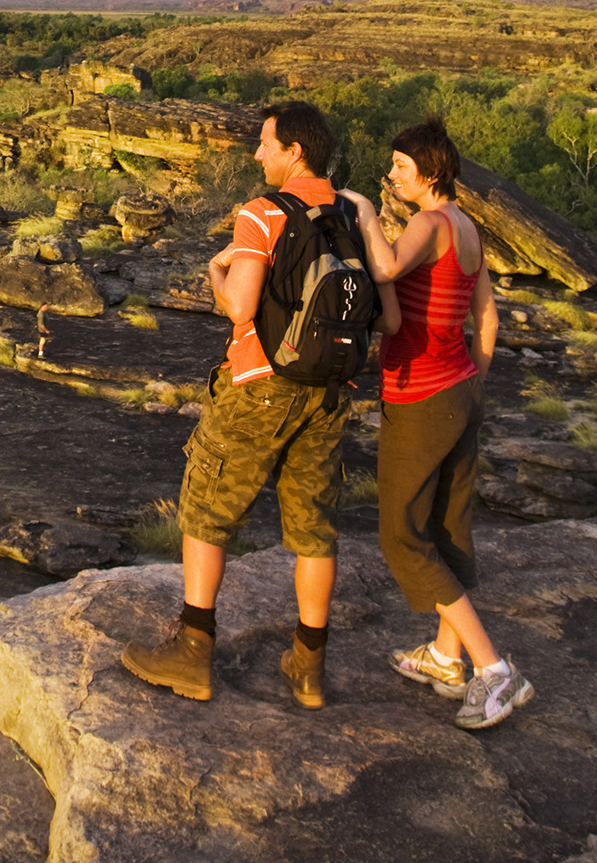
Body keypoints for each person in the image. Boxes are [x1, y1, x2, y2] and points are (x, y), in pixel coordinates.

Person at [121, 101, 400, 708]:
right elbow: (392, 315)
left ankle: (193, 654)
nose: (257, 153)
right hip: (329, 393)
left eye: (265, 143)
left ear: (293, 151)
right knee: (313, 527)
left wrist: (216, 274)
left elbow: (242, 307)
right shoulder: (353, 213)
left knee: (205, 510)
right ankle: (308, 667)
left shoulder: (263, 213)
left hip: (260, 384)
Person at [338, 118, 527, 730]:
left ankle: (495, 671)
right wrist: (473, 379)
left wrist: (366, 215)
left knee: (401, 534)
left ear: (431, 171)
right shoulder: (468, 229)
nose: (392, 175)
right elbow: (488, 318)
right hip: (460, 389)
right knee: (449, 525)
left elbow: (386, 271)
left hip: (421, 396)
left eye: (399, 166)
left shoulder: (429, 221)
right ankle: (447, 657)